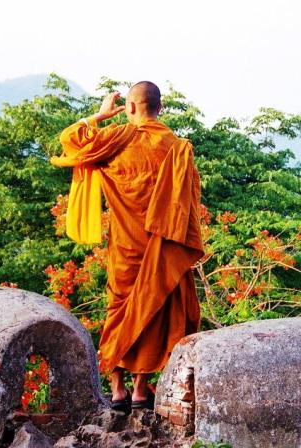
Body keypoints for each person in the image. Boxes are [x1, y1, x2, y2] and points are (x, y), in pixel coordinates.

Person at [51, 81, 204, 412]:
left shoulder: (119, 138)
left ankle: (118, 390)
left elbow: (70, 140)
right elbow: (187, 208)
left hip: (124, 251)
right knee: (153, 312)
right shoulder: (176, 147)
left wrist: (100, 116)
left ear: (131, 107)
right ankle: (140, 390)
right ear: (159, 108)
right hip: (162, 252)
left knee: (119, 310)